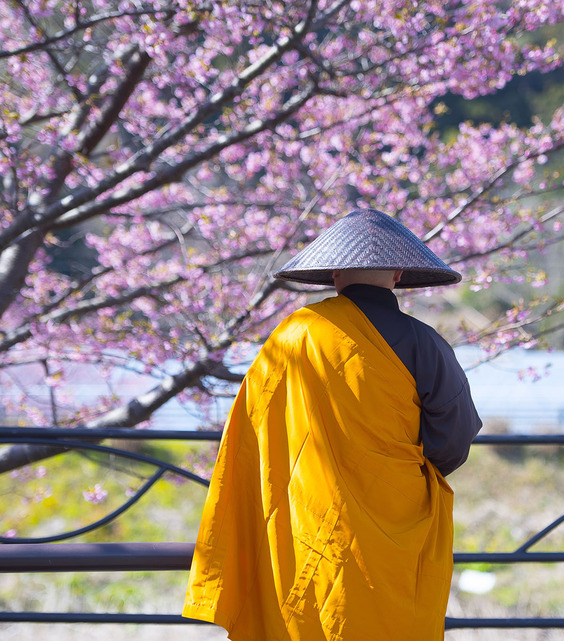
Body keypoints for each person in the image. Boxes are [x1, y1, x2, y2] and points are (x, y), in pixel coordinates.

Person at [183, 208, 482, 640]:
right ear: (398, 273)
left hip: (306, 521)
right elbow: (452, 441)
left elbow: (255, 434)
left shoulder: (291, 336)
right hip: (394, 525)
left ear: (334, 273)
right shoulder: (425, 344)